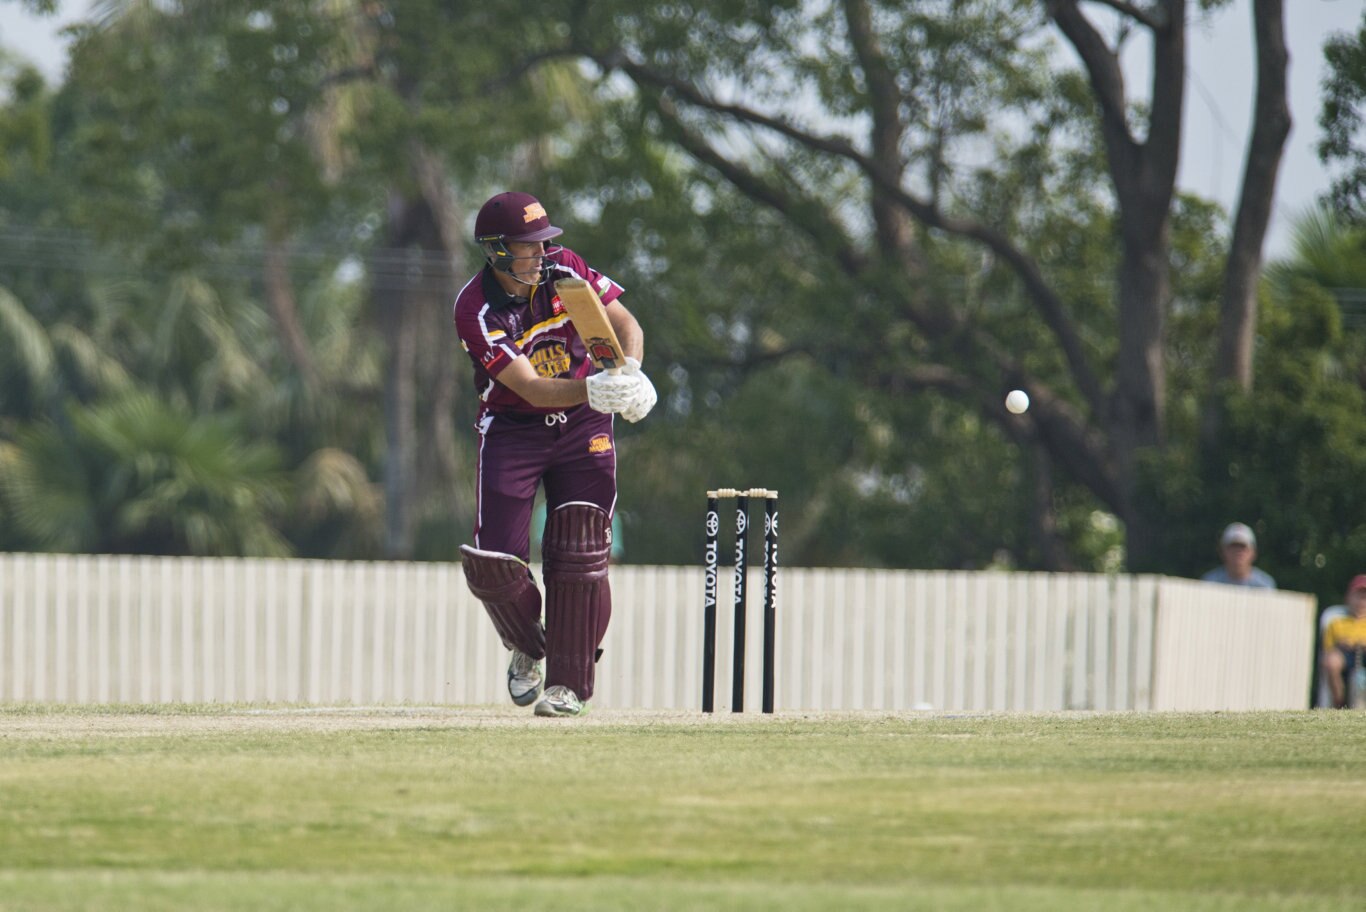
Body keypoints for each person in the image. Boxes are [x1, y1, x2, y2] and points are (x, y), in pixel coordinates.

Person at [452, 191, 656, 718]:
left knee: (581, 551)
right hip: (515, 427)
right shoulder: (475, 308)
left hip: (584, 424)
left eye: (545, 243)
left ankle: (569, 685)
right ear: (497, 251)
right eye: (529, 246)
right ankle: (530, 643)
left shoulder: (565, 268)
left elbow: (625, 323)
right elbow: (528, 387)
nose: (542, 254)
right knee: (493, 567)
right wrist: (593, 390)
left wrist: (630, 370)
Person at [1321, 575, 1366, 709]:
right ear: (1348, 597)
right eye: (1358, 596)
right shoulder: (1336, 621)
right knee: (1331, 662)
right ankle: (1339, 704)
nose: (1361, 602)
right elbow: (1327, 650)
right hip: (1346, 656)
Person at [1200, 522, 1276, 589]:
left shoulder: (1264, 585)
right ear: (1223, 551)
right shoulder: (1209, 582)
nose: (1238, 551)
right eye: (1233, 546)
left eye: (1243, 547)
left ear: (1253, 552)